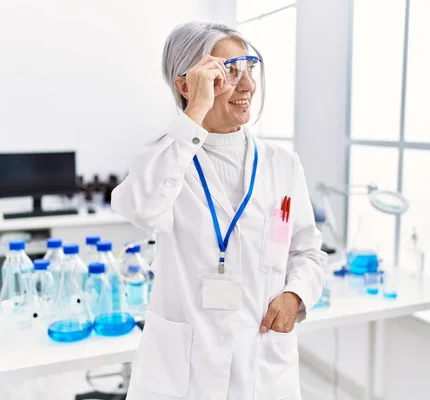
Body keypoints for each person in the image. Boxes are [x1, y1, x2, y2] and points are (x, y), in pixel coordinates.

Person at [111, 21, 325, 400]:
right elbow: (142, 208)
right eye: (228, 72)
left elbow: (306, 251)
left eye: (249, 69)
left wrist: (295, 295)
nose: (247, 86)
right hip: (185, 375)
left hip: (262, 367)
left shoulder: (281, 164)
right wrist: (193, 117)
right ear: (186, 84)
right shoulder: (167, 158)